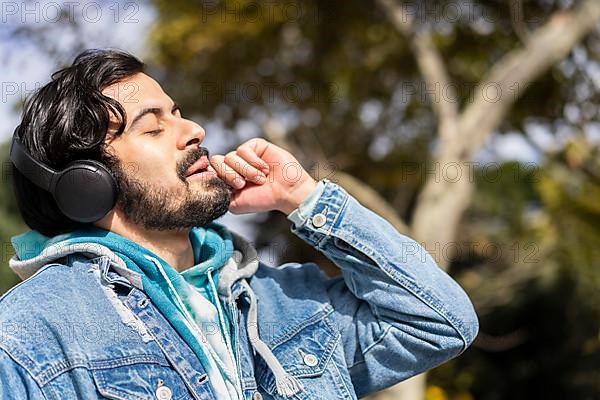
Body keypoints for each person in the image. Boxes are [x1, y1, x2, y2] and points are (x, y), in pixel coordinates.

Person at [0, 49, 479, 400]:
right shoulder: (30, 336)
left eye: (178, 114)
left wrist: (303, 198)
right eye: (153, 126)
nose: (194, 131)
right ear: (87, 185)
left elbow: (440, 323)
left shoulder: (283, 303)